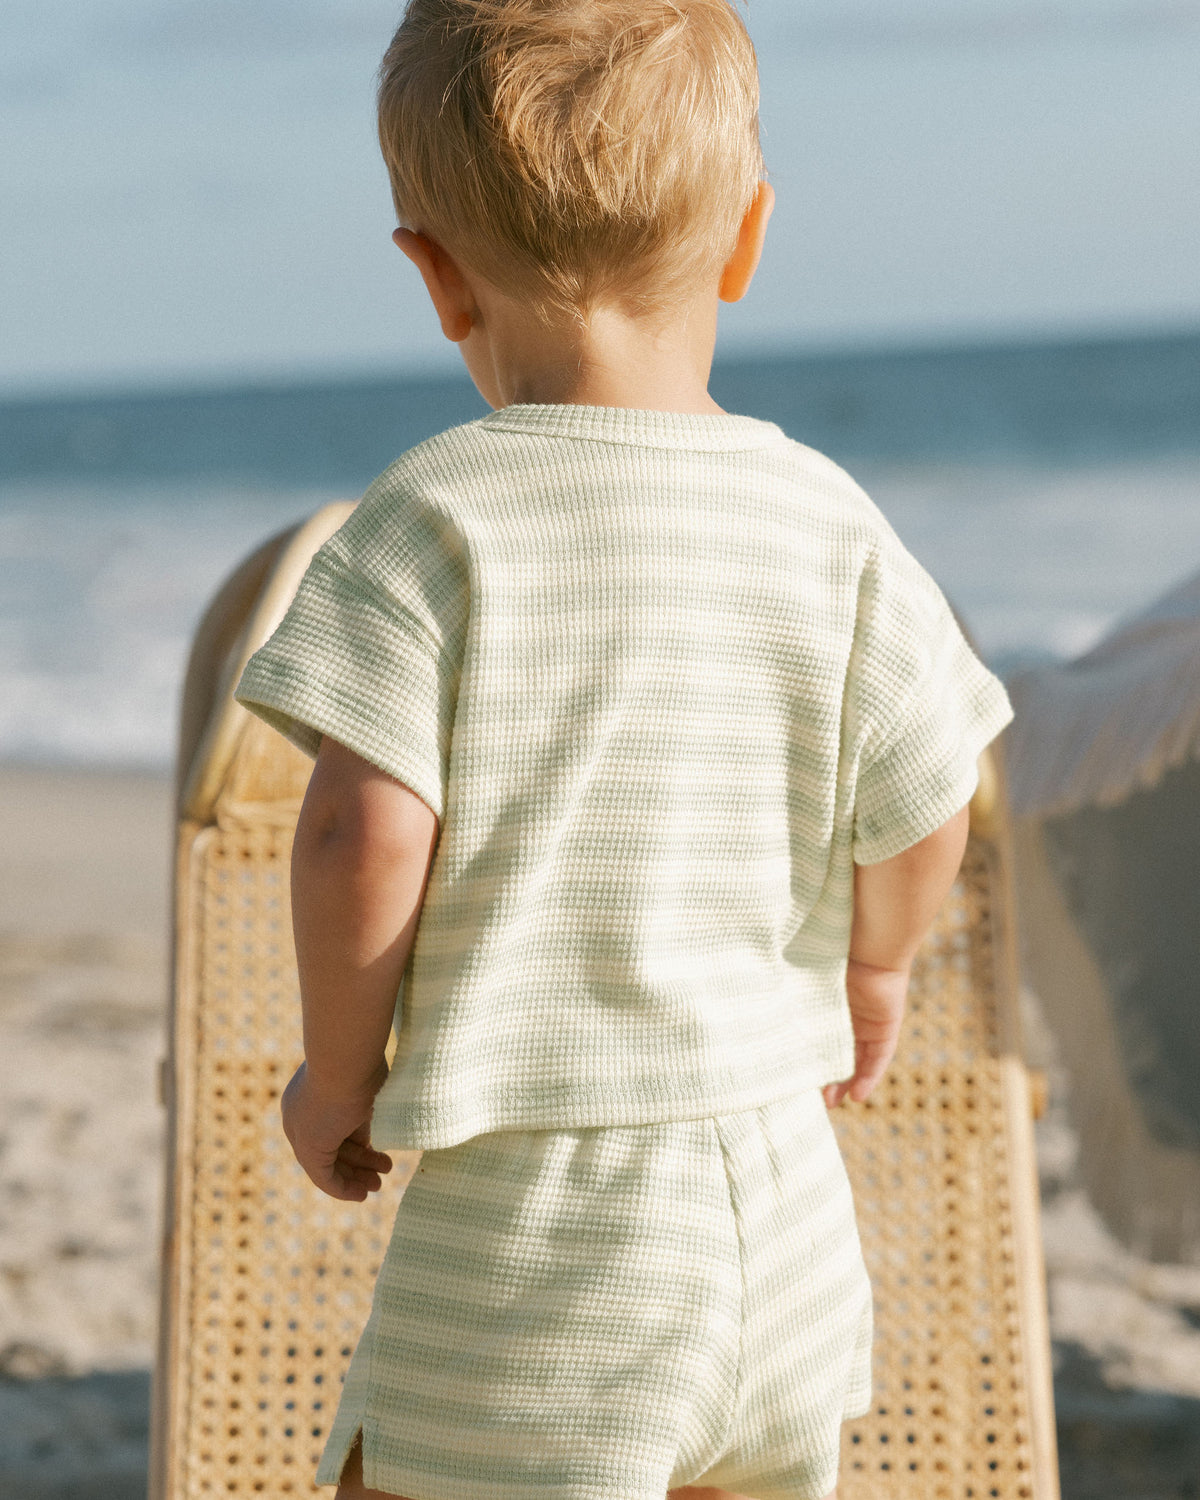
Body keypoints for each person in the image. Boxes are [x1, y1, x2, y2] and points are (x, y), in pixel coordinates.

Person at [235, 2, 1013, 1497]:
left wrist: (338, 1075)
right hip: (784, 1228)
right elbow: (931, 798)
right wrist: (877, 970)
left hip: (545, 1247)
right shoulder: (827, 521)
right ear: (747, 241)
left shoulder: (439, 518)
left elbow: (359, 834)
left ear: (436, 276)